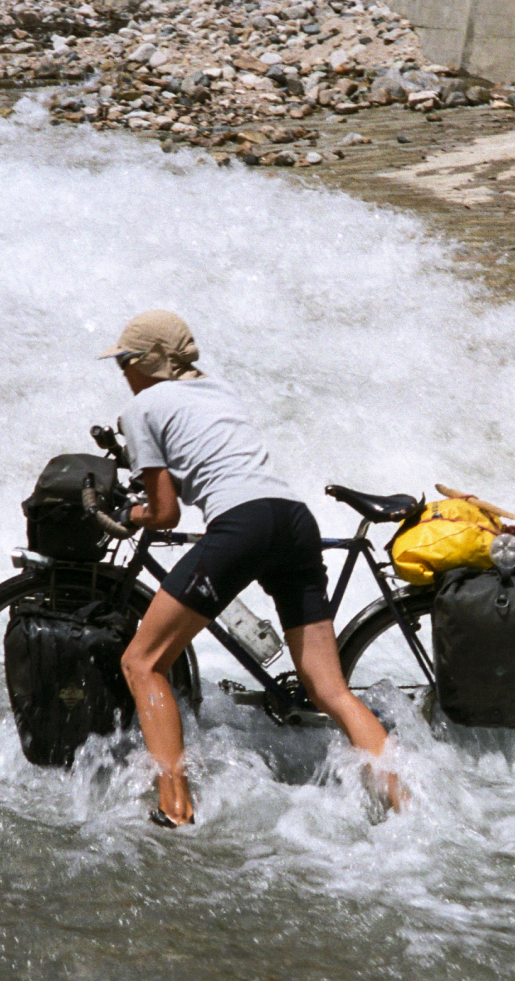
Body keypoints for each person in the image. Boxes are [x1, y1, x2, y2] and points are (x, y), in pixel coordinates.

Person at [102, 309, 403, 827]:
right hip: (293, 519)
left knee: (142, 664)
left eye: (124, 361)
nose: (122, 372)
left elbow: (165, 513)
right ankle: (408, 806)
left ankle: (175, 810)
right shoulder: (218, 390)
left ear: (147, 361)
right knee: (330, 690)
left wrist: (126, 515)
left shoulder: (142, 406)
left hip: (243, 524)